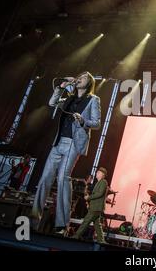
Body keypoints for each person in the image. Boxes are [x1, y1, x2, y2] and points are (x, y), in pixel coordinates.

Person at [31, 71, 101, 235]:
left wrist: (83, 121)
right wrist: (61, 87)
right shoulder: (69, 98)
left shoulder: (93, 100)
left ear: (89, 83)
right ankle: (33, 220)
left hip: (73, 143)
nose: (79, 78)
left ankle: (62, 225)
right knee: (45, 179)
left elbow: (97, 123)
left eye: (83, 77)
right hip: (59, 142)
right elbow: (52, 103)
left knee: (63, 178)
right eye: (79, 77)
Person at [73, 167, 108, 243]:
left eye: (98, 172)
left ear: (102, 174)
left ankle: (76, 236)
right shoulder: (98, 182)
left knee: (86, 221)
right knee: (97, 225)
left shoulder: (103, 182)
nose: (96, 173)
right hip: (95, 207)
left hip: (96, 207)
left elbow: (100, 193)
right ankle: (101, 240)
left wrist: (89, 197)